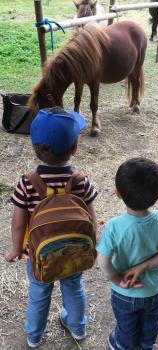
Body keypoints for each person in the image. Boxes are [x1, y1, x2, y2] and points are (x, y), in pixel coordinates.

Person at [5, 107, 98, 348]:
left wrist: (16, 249)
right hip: (75, 251)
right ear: (74, 148)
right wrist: (93, 245)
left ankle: (34, 335)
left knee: (39, 292)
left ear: (34, 147)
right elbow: (91, 217)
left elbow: (18, 223)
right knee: (74, 288)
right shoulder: (80, 181)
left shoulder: (27, 182)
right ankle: (77, 327)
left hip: (37, 253)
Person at [96, 157, 158, 350]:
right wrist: (144, 266)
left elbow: (102, 260)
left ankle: (123, 346)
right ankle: (146, 345)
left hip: (125, 292)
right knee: (151, 320)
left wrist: (116, 279)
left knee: (126, 326)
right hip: (155, 288)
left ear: (118, 193)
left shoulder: (115, 227)